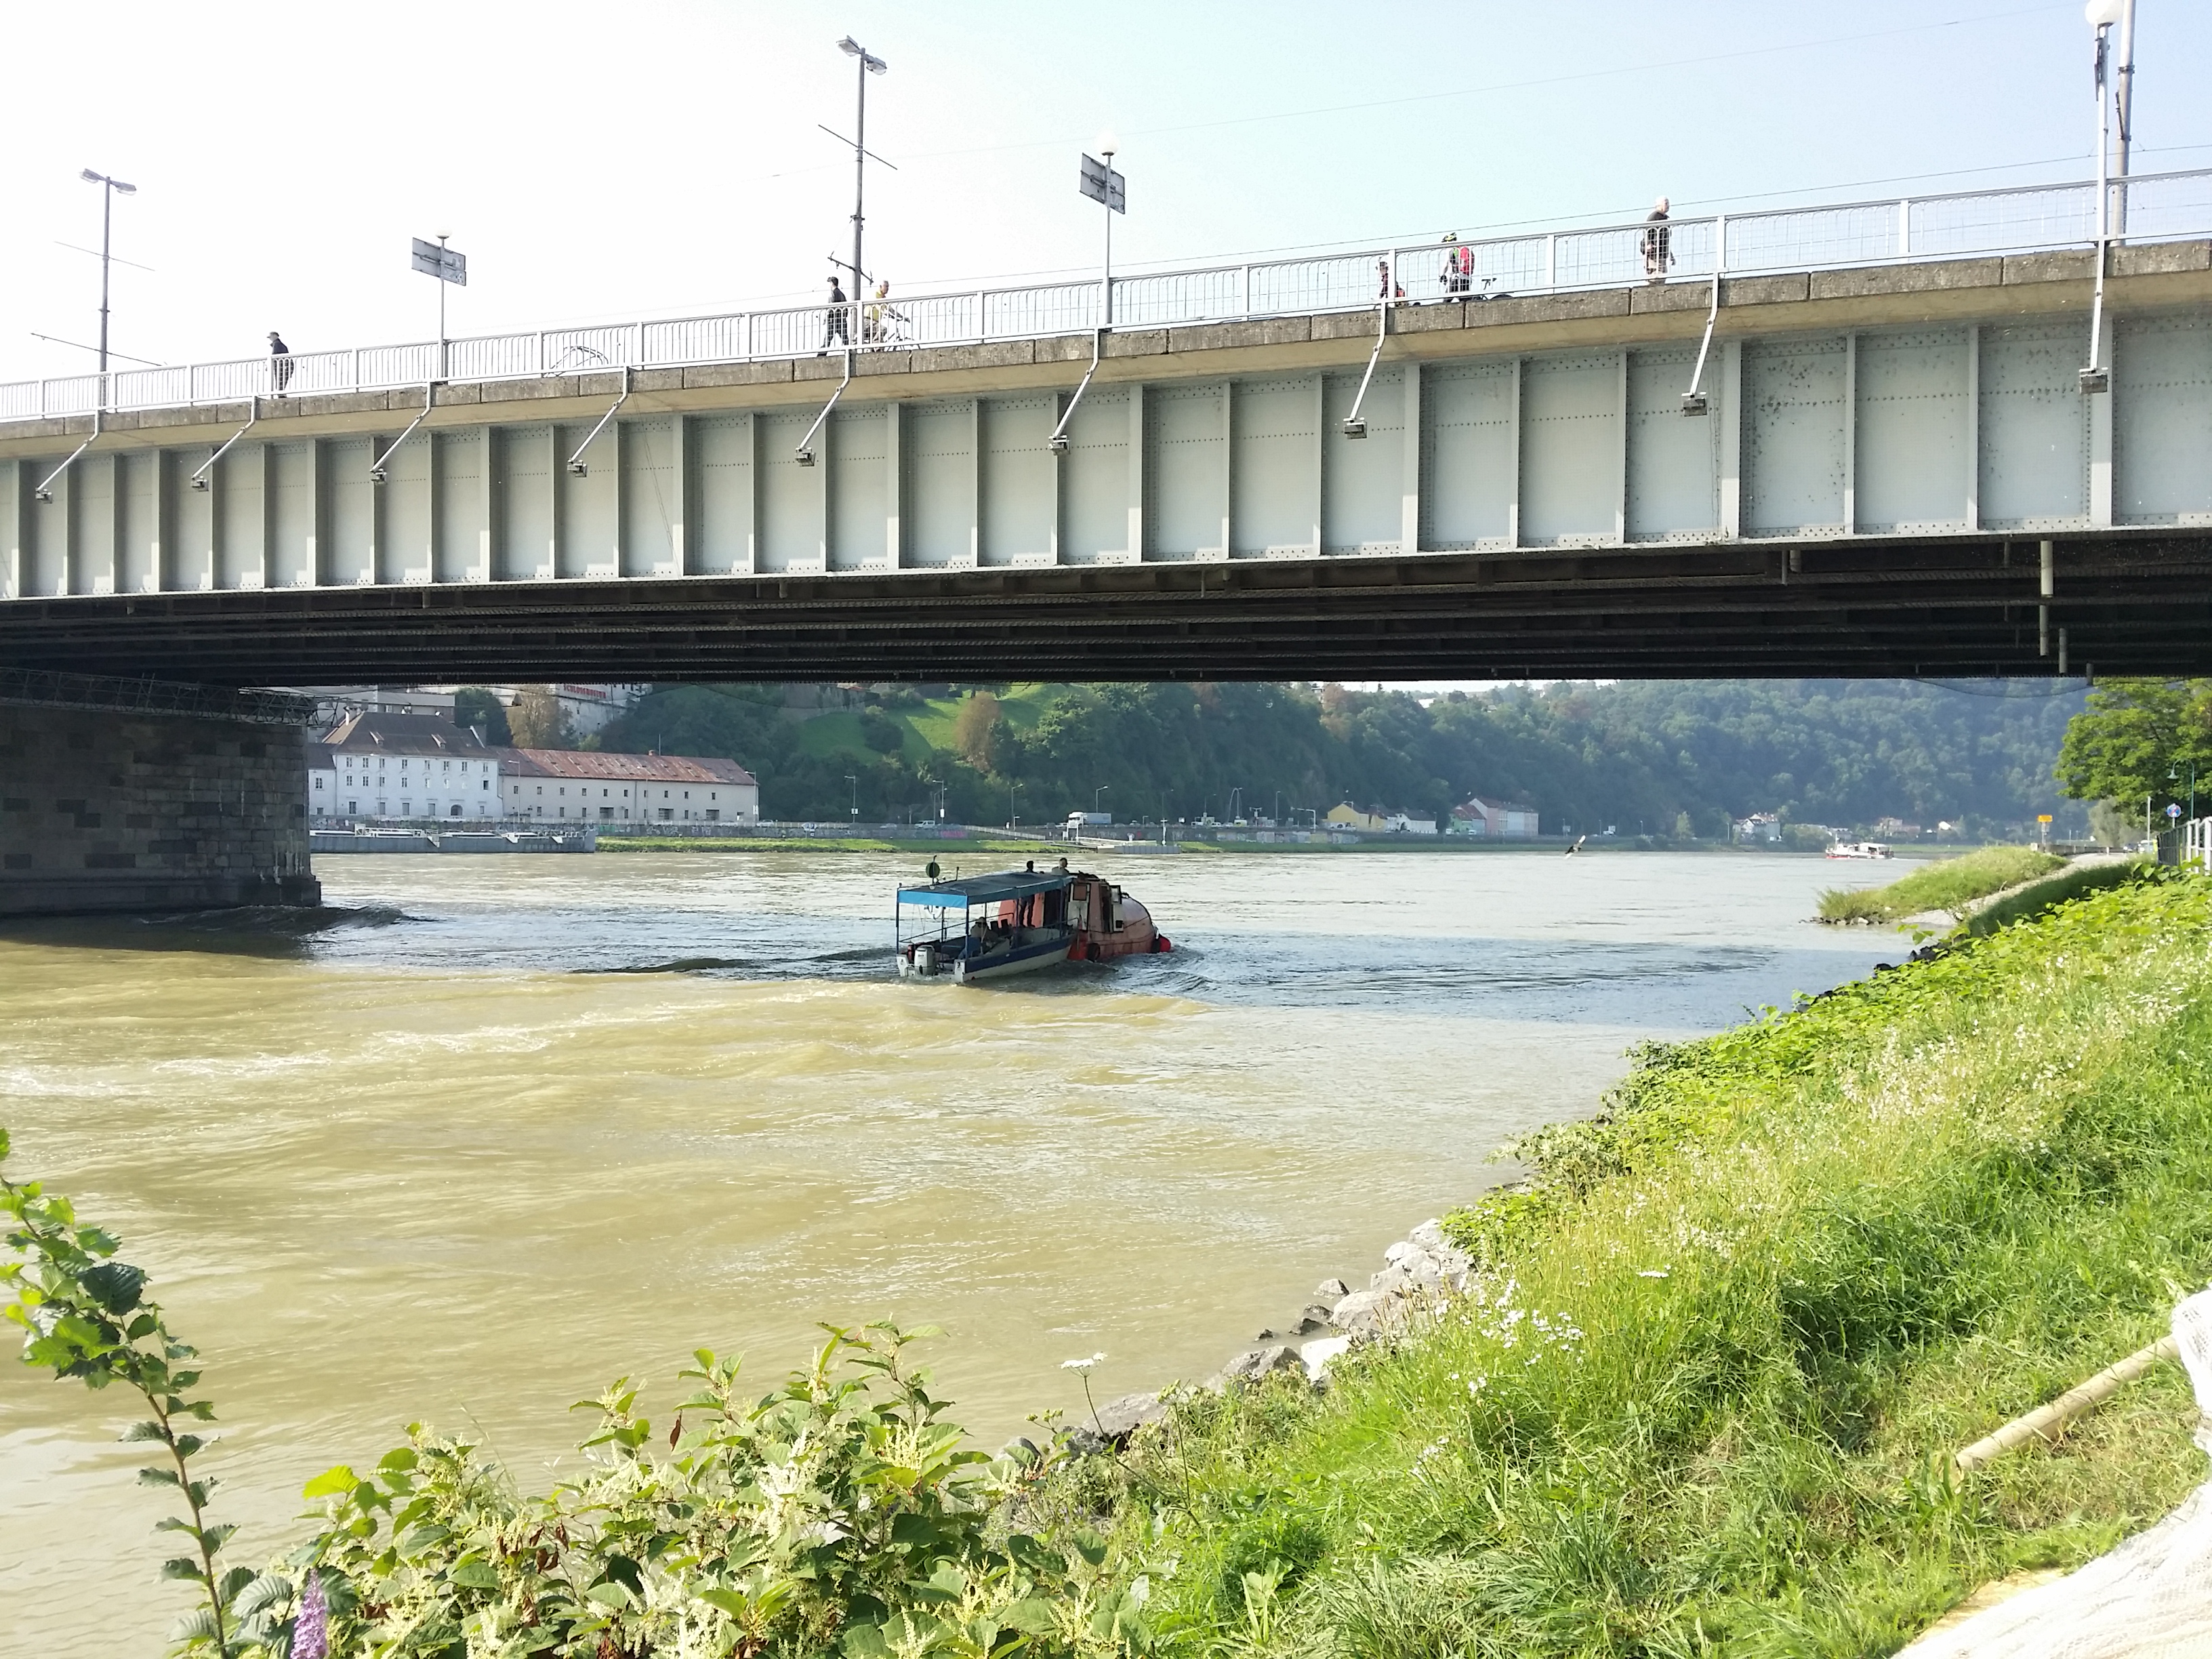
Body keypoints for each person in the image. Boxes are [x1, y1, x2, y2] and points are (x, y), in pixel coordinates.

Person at [1641, 198, 1673, 284]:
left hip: (1661, 252)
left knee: (1662, 273)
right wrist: (1648, 244)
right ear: (1659, 205)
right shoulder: (1654, 217)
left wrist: (1670, 254)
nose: (1668, 206)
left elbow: (1665, 239)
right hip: (1654, 251)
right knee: (1656, 274)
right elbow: (1646, 230)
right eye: (1666, 203)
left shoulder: (1664, 218)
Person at [822, 277, 850, 351]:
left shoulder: (832, 294)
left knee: (827, 340)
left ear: (832, 283)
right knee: (845, 339)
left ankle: (821, 356)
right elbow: (846, 308)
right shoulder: (842, 294)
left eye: (829, 283)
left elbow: (830, 308)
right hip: (841, 320)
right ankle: (849, 354)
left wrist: (826, 318)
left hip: (832, 321)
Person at [268, 331, 294, 395]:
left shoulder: (277, 344)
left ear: (275, 336)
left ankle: (281, 396)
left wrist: (269, 365)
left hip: (281, 368)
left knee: (280, 385)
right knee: (281, 385)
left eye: (270, 337)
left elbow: (274, 356)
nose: (270, 339)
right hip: (285, 368)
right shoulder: (280, 345)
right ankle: (281, 395)